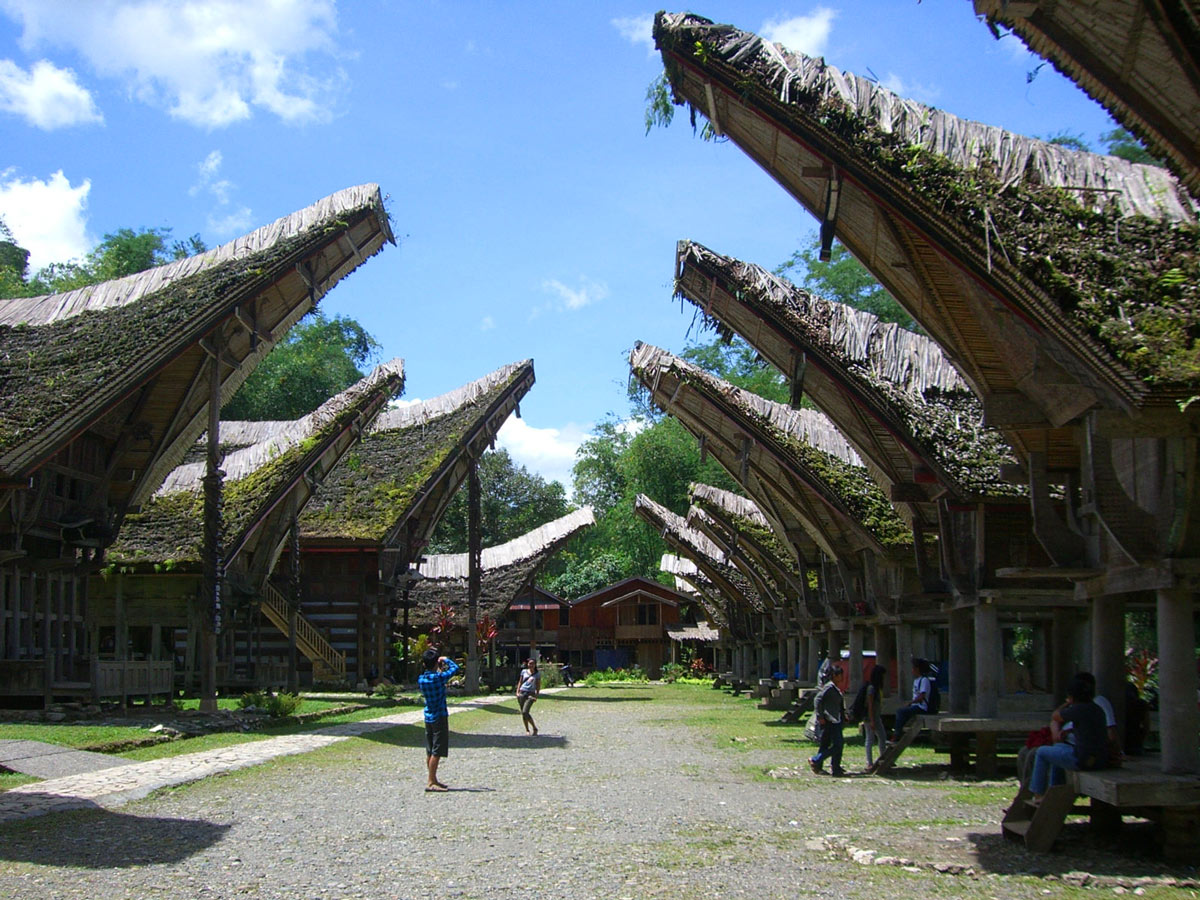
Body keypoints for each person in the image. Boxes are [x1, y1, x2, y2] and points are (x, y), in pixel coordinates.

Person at [1029, 674, 1110, 803]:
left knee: (1041, 752)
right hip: (1099, 759)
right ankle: (1054, 789)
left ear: (1072, 697)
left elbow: (1055, 716)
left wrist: (1066, 704)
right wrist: (1070, 730)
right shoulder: (1097, 709)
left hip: (1082, 759)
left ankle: (1038, 793)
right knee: (1057, 749)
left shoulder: (1077, 709)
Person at [417, 649, 459, 792]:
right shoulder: (438, 678)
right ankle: (430, 781)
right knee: (437, 750)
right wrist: (445, 659)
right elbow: (455, 669)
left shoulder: (421, 679)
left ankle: (433, 778)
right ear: (436, 663)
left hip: (428, 716)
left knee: (430, 749)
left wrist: (437, 665)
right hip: (439, 715)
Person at [809, 664, 846, 776]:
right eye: (840, 675)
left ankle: (833, 767)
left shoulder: (835, 688)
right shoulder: (829, 687)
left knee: (826, 744)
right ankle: (816, 759)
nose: (842, 677)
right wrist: (820, 716)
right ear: (834, 675)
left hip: (835, 719)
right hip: (830, 720)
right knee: (838, 745)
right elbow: (818, 699)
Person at [890, 657, 934, 742]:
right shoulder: (916, 680)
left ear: (917, 669)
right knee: (902, 712)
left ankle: (897, 735)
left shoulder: (924, 680)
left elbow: (922, 696)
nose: (912, 670)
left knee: (901, 712)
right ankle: (899, 732)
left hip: (922, 707)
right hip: (915, 706)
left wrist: (911, 702)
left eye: (913, 668)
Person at [863, 664, 888, 773]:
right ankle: (870, 763)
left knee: (881, 737)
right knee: (871, 739)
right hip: (871, 718)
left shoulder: (877, 688)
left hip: (876, 716)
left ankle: (883, 758)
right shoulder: (872, 688)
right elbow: (870, 705)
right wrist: (872, 720)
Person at [516, 657, 541, 735]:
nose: (531, 665)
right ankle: (527, 729)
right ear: (527, 664)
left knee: (525, 711)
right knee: (523, 713)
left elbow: (538, 686)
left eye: (533, 664)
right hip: (522, 693)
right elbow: (520, 682)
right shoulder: (523, 672)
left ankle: (534, 727)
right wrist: (517, 692)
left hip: (530, 694)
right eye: (530, 663)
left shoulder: (537, 674)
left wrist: (536, 696)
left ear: (535, 665)